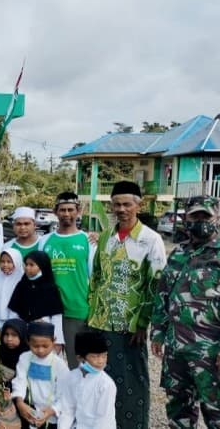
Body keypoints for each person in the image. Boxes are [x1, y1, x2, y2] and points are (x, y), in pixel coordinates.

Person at [87, 180, 166, 429]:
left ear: (138, 205)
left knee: (131, 381)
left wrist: (143, 322)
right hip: (100, 321)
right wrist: (92, 311)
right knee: (100, 380)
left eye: (127, 204)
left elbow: (156, 284)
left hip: (130, 327)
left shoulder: (150, 240)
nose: (121, 209)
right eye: (116, 204)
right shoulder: (106, 238)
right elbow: (97, 276)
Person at [151, 195, 220, 428]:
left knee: (216, 411)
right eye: (195, 216)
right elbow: (163, 294)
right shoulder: (178, 253)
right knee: (178, 408)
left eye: (206, 216)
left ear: (217, 217)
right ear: (185, 219)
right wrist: (158, 332)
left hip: (210, 352)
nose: (200, 220)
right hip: (176, 349)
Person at [39, 192, 95, 369]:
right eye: (62, 210)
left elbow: (94, 277)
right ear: (56, 212)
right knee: (47, 361)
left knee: (77, 363)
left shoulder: (87, 240)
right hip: (50, 310)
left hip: (77, 310)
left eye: (71, 209)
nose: (66, 214)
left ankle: (79, 397)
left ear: (78, 211)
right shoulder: (45, 241)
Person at [11, 321, 69, 429]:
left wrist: (53, 410)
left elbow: (67, 393)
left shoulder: (59, 364)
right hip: (29, 411)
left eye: (45, 346)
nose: (40, 350)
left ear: (54, 341)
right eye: (35, 346)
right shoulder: (25, 358)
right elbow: (20, 381)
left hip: (53, 415)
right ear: (28, 342)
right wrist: (19, 402)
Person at [57, 331, 117, 429]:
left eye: (104, 355)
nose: (101, 361)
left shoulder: (106, 384)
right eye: (95, 356)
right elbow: (67, 409)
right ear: (80, 358)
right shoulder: (71, 377)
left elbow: (103, 420)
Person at [8, 251, 65, 352]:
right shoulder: (22, 285)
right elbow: (14, 310)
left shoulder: (50, 288)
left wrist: (58, 341)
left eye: (31, 265)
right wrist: (15, 331)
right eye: (26, 264)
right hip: (24, 333)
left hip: (44, 333)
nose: (27, 268)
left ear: (42, 266)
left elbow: (56, 315)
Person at [0, 247, 24, 329]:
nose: (5, 264)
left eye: (9, 262)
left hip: (15, 322)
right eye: (2, 262)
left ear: (16, 262)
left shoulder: (21, 280)